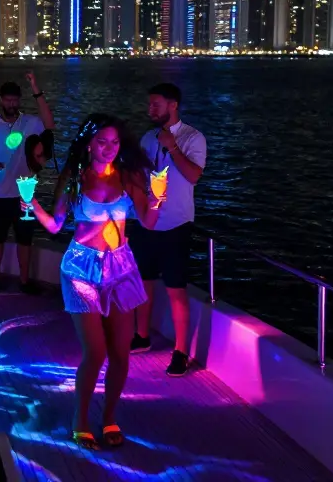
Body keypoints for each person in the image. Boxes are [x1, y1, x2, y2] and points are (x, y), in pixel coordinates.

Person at [23, 114, 163, 450]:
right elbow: (57, 225)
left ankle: (110, 417)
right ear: (89, 144)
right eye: (103, 142)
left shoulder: (129, 176)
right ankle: (80, 419)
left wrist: (159, 197)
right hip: (80, 269)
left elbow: (149, 221)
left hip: (120, 268)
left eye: (115, 143)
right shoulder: (75, 177)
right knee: (96, 351)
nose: (109, 148)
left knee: (120, 352)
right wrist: (32, 206)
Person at [130, 82, 207, 377]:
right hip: (147, 222)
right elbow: (138, 173)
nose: (150, 109)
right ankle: (142, 336)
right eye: (149, 104)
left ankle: (180, 352)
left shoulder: (192, 137)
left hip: (176, 225)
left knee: (176, 291)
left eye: (156, 104)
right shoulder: (148, 138)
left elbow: (193, 175)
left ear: (173, 105)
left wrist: (172, 146)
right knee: (144, 283)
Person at [0, 74, 55, 294]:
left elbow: (50, 125)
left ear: (19, 100)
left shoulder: (31, 123)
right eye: (8, 100)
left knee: (25, 239)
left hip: (25, 194)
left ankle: (24, 281)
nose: (11, 104)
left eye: (15, 100)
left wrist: (35, 88)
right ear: (1, 100)